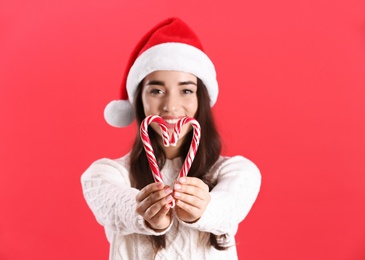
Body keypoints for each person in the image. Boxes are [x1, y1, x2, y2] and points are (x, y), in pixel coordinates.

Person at [81, 17, 261, 260]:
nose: (171, 105)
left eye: (186, 90)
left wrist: (202, 210)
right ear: (138, 100)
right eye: (156, 90)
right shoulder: (104, 175)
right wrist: (146, 214)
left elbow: (229, 208)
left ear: (201, 99)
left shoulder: (237, 171)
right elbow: (117, 208)